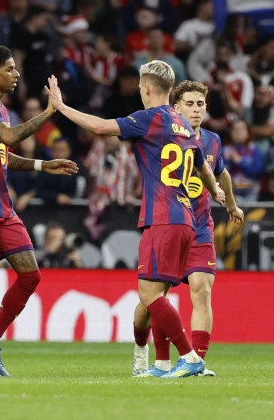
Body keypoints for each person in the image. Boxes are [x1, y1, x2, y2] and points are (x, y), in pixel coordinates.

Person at [46, 60, 224, 379]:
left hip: (163, 216)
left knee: (150, 296)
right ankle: (164, 364)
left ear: (145, 89)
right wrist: (217, 193)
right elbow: (204, 167)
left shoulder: (150, 118)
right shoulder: (183, 125)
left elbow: (101, 128)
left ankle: (189, 357)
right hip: (187, 218)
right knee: (155, 294)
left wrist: (61, 107)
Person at [0, 44, 78, 378]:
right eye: (10, 68)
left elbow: (4, 157)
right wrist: (51, 111)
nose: (16, 73)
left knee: (31, 275)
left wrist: (43, 164)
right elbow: (9, 139)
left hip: (2, 207)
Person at [132, 81, 244, 379]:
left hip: (199, 228)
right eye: (190, 104)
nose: (196, 110)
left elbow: (222, 174)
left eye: (201, 104)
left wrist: (231, 205)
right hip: (168, 222)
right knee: (153, 300)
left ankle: (196, 361)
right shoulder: (163, 131)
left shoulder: (212, 141)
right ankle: (152, 357)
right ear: (176, 107)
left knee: (202, 291)